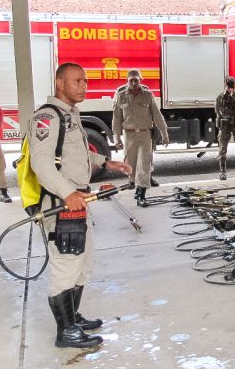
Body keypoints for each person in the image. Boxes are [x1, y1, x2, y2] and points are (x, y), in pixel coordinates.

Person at [28, 62, 130, 348]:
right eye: (77, 81)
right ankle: (66, 332)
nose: (84, 85)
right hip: (62, 205)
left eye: (85, 81)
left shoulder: (69, 115)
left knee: (83, 264)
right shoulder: (46, 118)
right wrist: (67, 193)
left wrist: (106, 162)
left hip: (78, 203)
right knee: (66, 266)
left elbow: (77, 153)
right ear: (60, 83)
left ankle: (72, 317)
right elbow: (42, 165)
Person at [112, 69, 169, 206]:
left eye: (136, 80)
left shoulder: (148, 96)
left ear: (140, 80)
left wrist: (164, 133)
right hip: (129, 135)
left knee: (144, 165)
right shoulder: (121, 97)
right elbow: (116, 119)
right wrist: (117, 138)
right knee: (131, 165)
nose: (133, 83)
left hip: (144, 135)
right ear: (127, 81)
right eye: (130, 80)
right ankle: (136, 186)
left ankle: (141, 194)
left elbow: (157, 116)